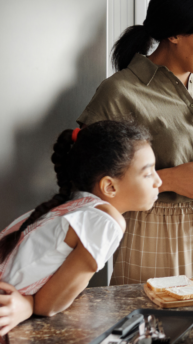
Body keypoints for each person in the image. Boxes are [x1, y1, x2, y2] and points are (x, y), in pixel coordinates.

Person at [77, 0, 193, 284]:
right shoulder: (121, 92)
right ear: (174, 34)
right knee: (158, 325)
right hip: (155, 230)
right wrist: (168, 181)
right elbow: (89, 183)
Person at [0, 120, 161, 335]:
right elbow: (48, 305)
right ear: (110, 186)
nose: (158, 181)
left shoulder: (73, 206)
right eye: (148, 173)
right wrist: (29, 305)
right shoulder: (106, 222)